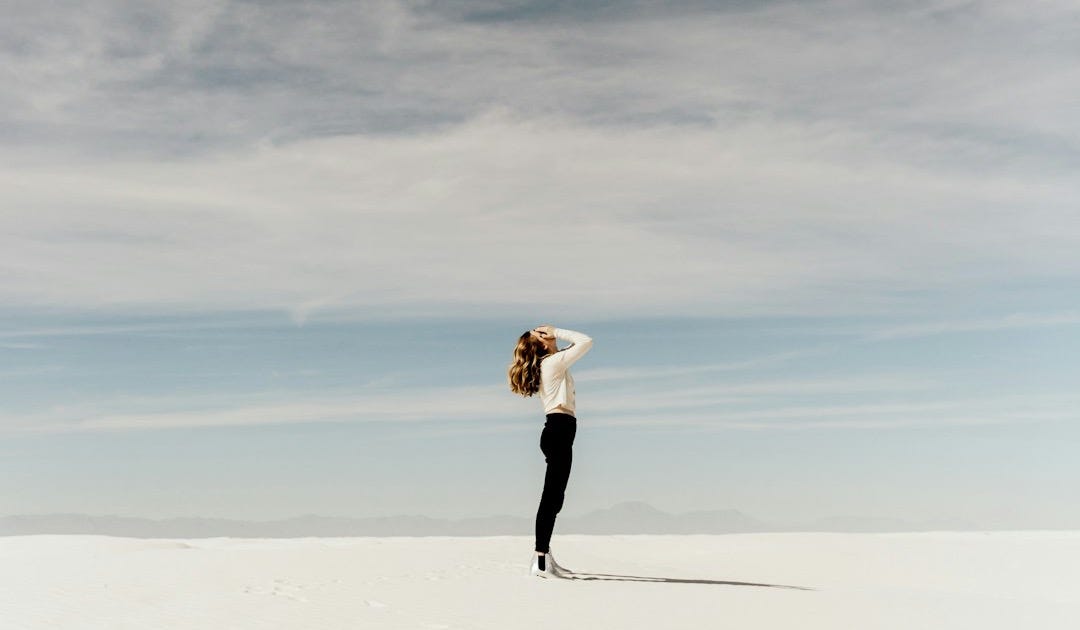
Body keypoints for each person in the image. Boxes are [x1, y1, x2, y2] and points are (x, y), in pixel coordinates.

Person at [507, 324, 594, 578]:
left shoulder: (553, 362)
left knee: (555, 498)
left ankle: (545, 557)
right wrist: (557, 330)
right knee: (551, 498)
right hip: (559, 430)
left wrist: (554, 339)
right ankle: (541, 561)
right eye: (541, 333)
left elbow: (576, 346)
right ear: (542, 343)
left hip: (559, 431)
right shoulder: (552, 363)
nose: (546, 333)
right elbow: (586, 341)